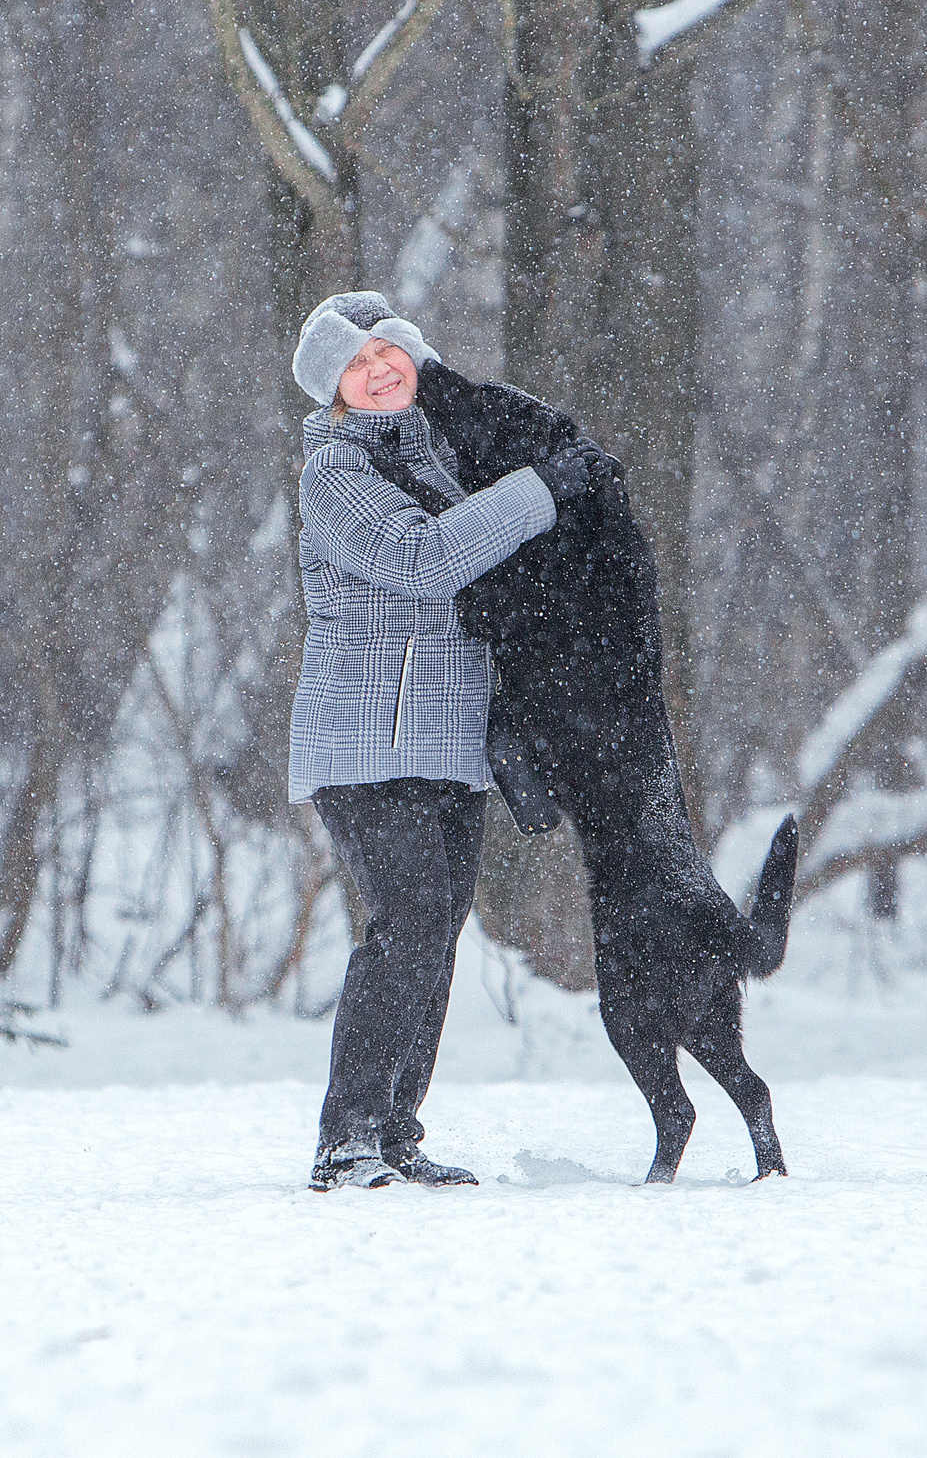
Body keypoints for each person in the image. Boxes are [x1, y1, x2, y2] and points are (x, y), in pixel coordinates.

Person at [287, 291, 610, 1190]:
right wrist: (538, 491)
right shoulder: (333, 477)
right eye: (358, 364)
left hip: (451, 741)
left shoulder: (445, 449)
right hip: (362, 743)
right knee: (409, 924)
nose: (381, 367)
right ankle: (343, 1140)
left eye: (388, 348)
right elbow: (424, 559)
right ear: (337, 391)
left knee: (437, 933)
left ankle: (394, 1131)